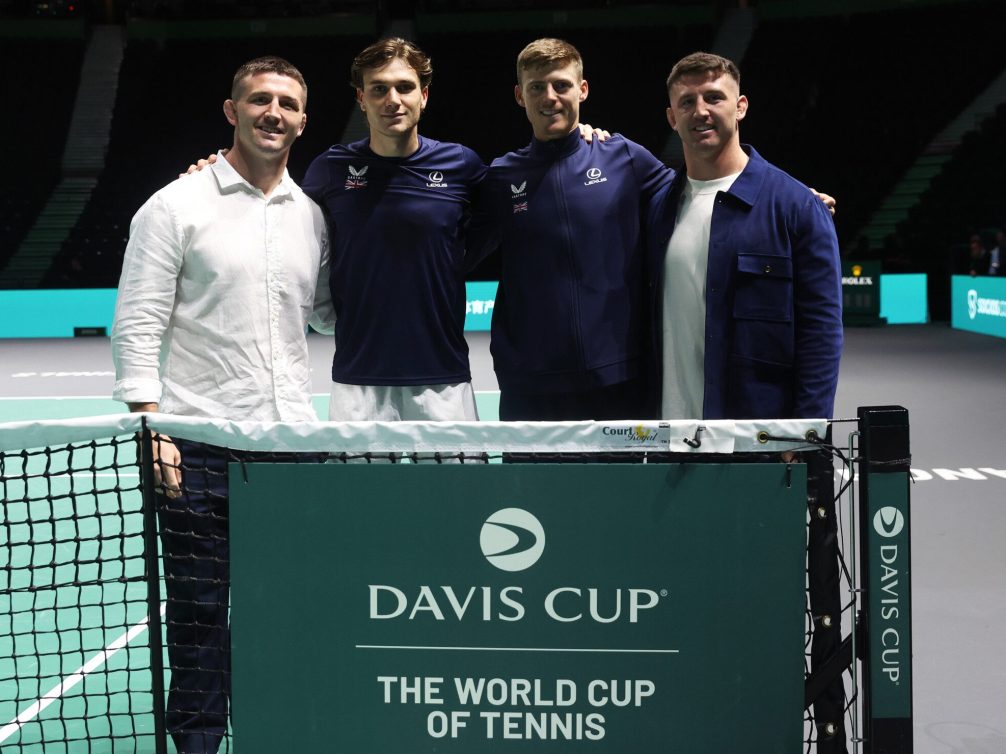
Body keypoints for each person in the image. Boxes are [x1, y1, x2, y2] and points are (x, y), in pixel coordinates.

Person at [111, 56, 330, 754]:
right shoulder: (175, 206)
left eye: (287, 103)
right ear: (231, 110)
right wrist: (151, 426)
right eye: (259, 100)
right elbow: (137, 323)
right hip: (197, 442)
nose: (274, 112)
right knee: (201, 614)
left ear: (303, 118)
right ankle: (200, 743)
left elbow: (326, 315)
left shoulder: (313, 217)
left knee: (292, 611)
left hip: (292, 445)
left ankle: (284, 731)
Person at [470, 38, 671, 421]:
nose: (550, 97)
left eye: (561, 85)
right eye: (536, 87)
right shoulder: (501, 176)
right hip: (530, 383)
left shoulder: (624, 157)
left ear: (582, 89)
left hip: (620, 378)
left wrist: (790, 197)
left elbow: (697, 197)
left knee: (621, 485)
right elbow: (453, 252)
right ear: (519, 95)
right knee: (531, 485)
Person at [646, 51, 842, 422]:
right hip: (666, 437)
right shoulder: (657, 209)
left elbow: (822, 334)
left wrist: (805, 431)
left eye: (714, 98)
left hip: (759, 438)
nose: (700, 111)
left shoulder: (796, 207)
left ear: (741, 107)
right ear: (672, 117)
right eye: (687, 102)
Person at [301, 38, 486, 422]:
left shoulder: (462, 166)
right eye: (379, 88)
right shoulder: (330, 169)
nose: (393, 99)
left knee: (458, 487)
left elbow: (516, 210)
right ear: (361, 98)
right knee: (357, 487)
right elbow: (272, 210)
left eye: (404, 87)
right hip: (358, 380)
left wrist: (583, 140)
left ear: (424, 95)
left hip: (443, 379)